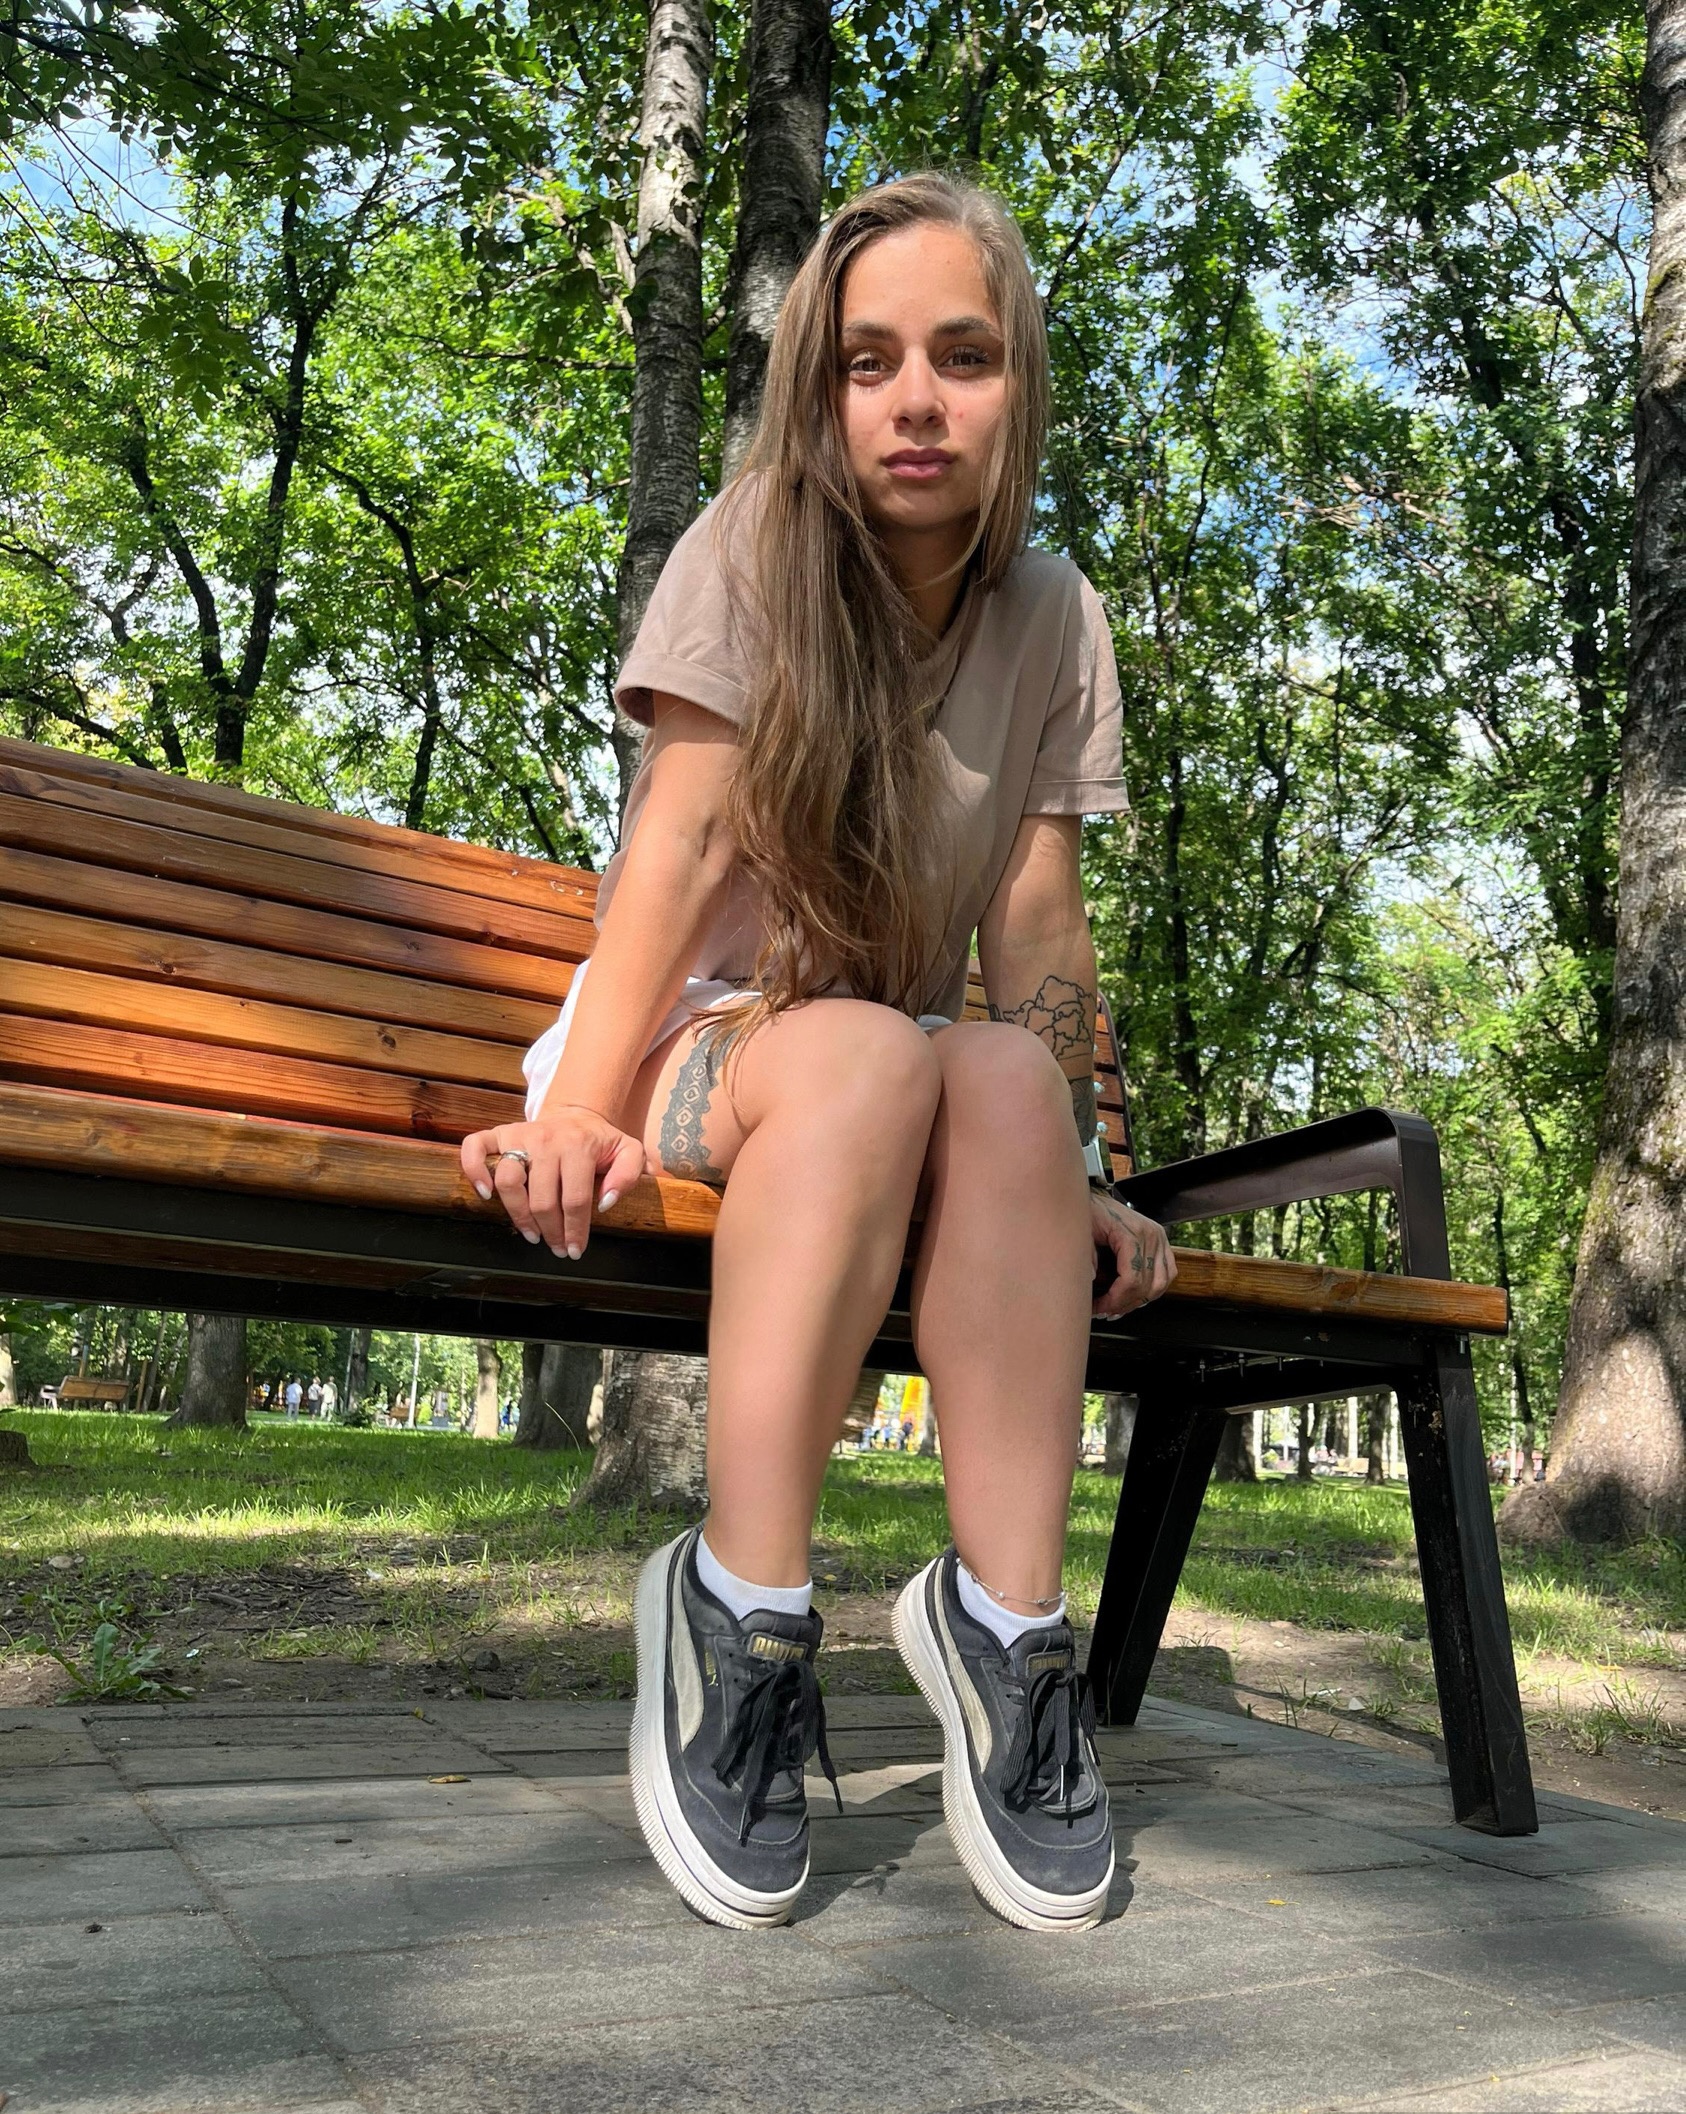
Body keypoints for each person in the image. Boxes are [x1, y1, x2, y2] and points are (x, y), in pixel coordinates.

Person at [462, 173, 1175, 1936]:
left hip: (896, 1075)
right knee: (867, 1055)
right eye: (868, 362)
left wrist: (1081, 1169)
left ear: (1018, 385)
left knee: (991, 1077)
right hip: (696, 1046)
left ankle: (1007, 1632)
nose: (915, 400)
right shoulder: (755, 544)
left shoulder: (1053, 616)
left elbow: (1035, 926)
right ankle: (743, 1603)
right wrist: (574, 1105)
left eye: (961, 356)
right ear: (820, 388)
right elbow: (680, 842)